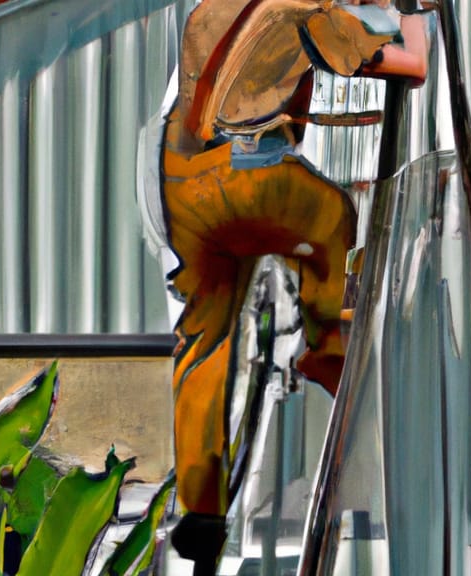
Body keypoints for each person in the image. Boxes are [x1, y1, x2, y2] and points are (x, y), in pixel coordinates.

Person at [159, 0, 429, 566]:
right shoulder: (306, 7)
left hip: (185, 180)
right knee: (332, 216)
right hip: (250, 183)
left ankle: (202, 508)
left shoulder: (208, 12)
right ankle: (327, 338)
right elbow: (407, 65)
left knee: (204, 336)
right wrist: (411, 17)